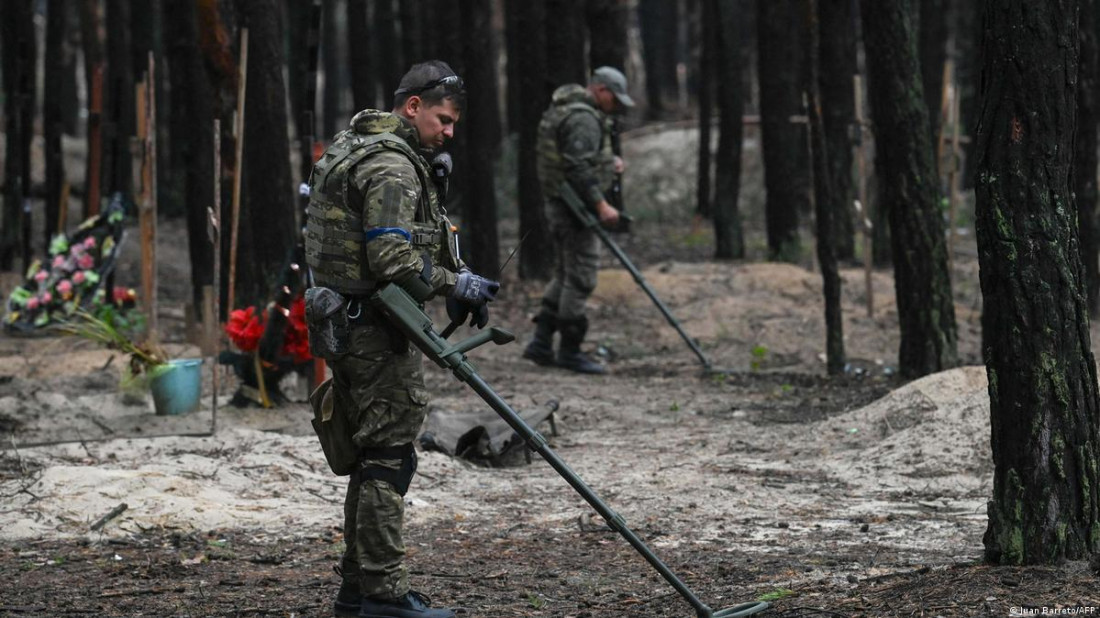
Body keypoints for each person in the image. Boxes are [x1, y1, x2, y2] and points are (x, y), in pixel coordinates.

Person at [305, 60, 499, 618]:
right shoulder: (392, 165)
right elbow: (390, 258)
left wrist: (446, 273)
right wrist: (452, 281)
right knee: (388, 459)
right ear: (411, 107)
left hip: (345, 320)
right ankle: (385, 595)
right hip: (372, 329)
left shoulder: (358, 142)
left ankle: (356, 588)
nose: (449, 132)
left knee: (371, 456)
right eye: (442, 119)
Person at [523, 66, 634, 374]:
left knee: (564, 274)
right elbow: (577, 168)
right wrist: (601, 205)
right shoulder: (584, 118)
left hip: (561, 207)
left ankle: (541, 342)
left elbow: (575, 157)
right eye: (615, 98)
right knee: (581, 277)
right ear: (601, 90)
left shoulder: (568, 111)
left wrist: (609, 162)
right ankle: (569, 350)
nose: (617, 105)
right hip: (574, 210)